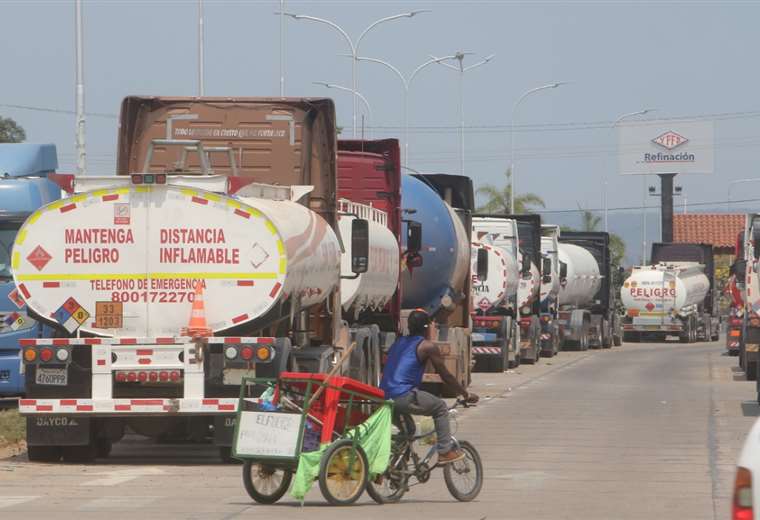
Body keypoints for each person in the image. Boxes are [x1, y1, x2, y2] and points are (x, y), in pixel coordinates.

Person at [380, 309, 479, 464]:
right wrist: (465, 394)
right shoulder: (426, 346)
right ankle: (445, 451)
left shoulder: (398, 343)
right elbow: (445, 375)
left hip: (384, 396)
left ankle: (391, 466)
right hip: (404, 395)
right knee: (440, 407)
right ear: (427, 328)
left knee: (409, 431)